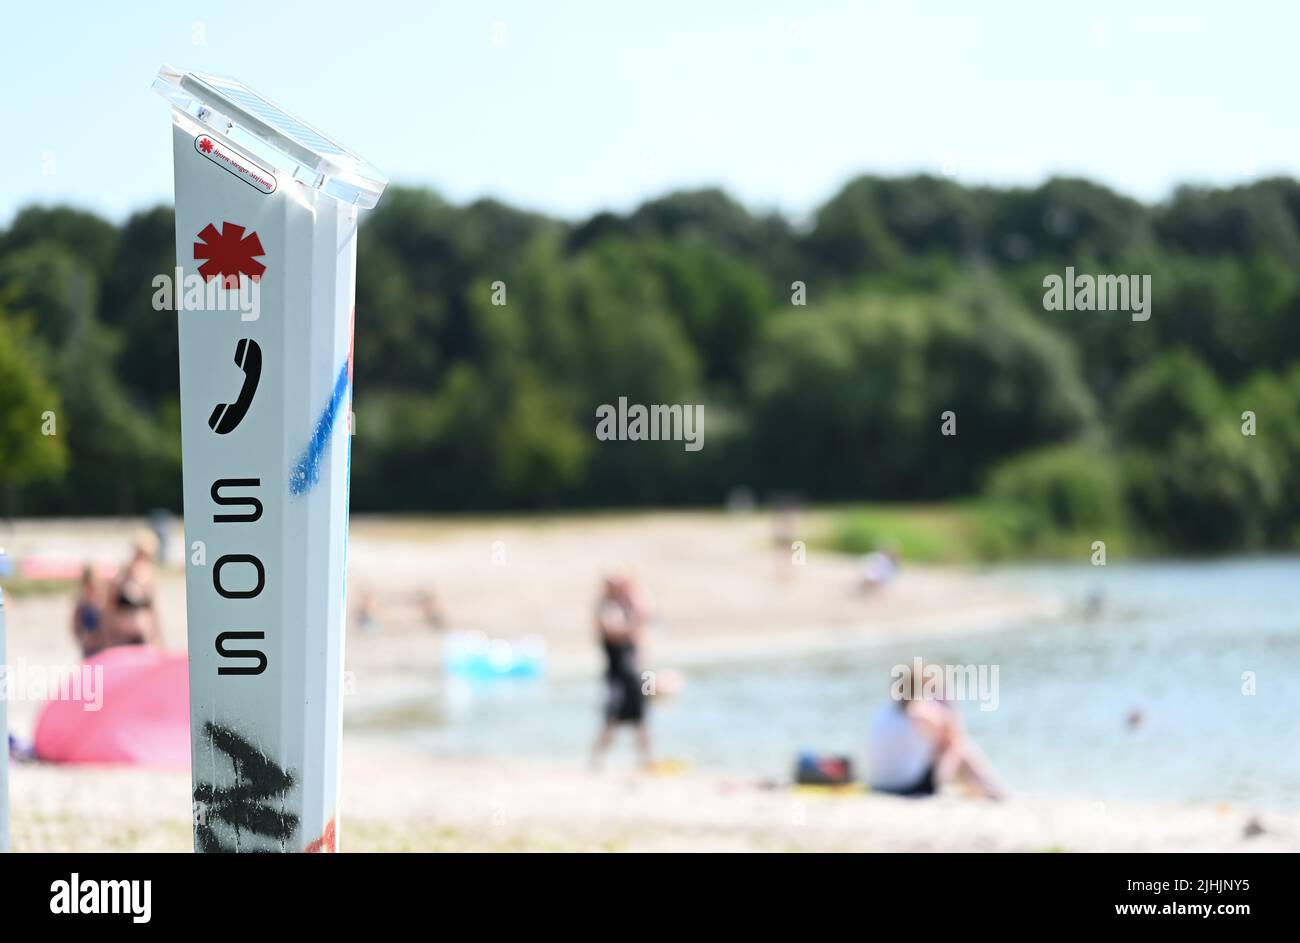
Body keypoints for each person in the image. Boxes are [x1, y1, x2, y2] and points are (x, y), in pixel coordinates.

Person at [867, 663, 1004, 798]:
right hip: (910, 787)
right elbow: (954, 734)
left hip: (879, 786)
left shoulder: (883, 712)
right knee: (959, 748)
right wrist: (948, 703)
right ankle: (994, 790)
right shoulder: (919, 710)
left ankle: (983, 789)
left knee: (945, 749)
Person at [591, 569, 653, 770]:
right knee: (610, 719)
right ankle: (596, 763)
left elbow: (642, 638)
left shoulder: (630, 606)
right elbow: (613, 632)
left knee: (641, 719)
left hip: (636, 673)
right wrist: (636, 621)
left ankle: (645, 762)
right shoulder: (605, 608)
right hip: (616, 674)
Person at [71, 565, 107, 658]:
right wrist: (83, 638)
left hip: (104, 644)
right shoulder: (82, 603)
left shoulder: (105, 599)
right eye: (90, 584)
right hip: (89, 647)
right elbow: (75, 626)